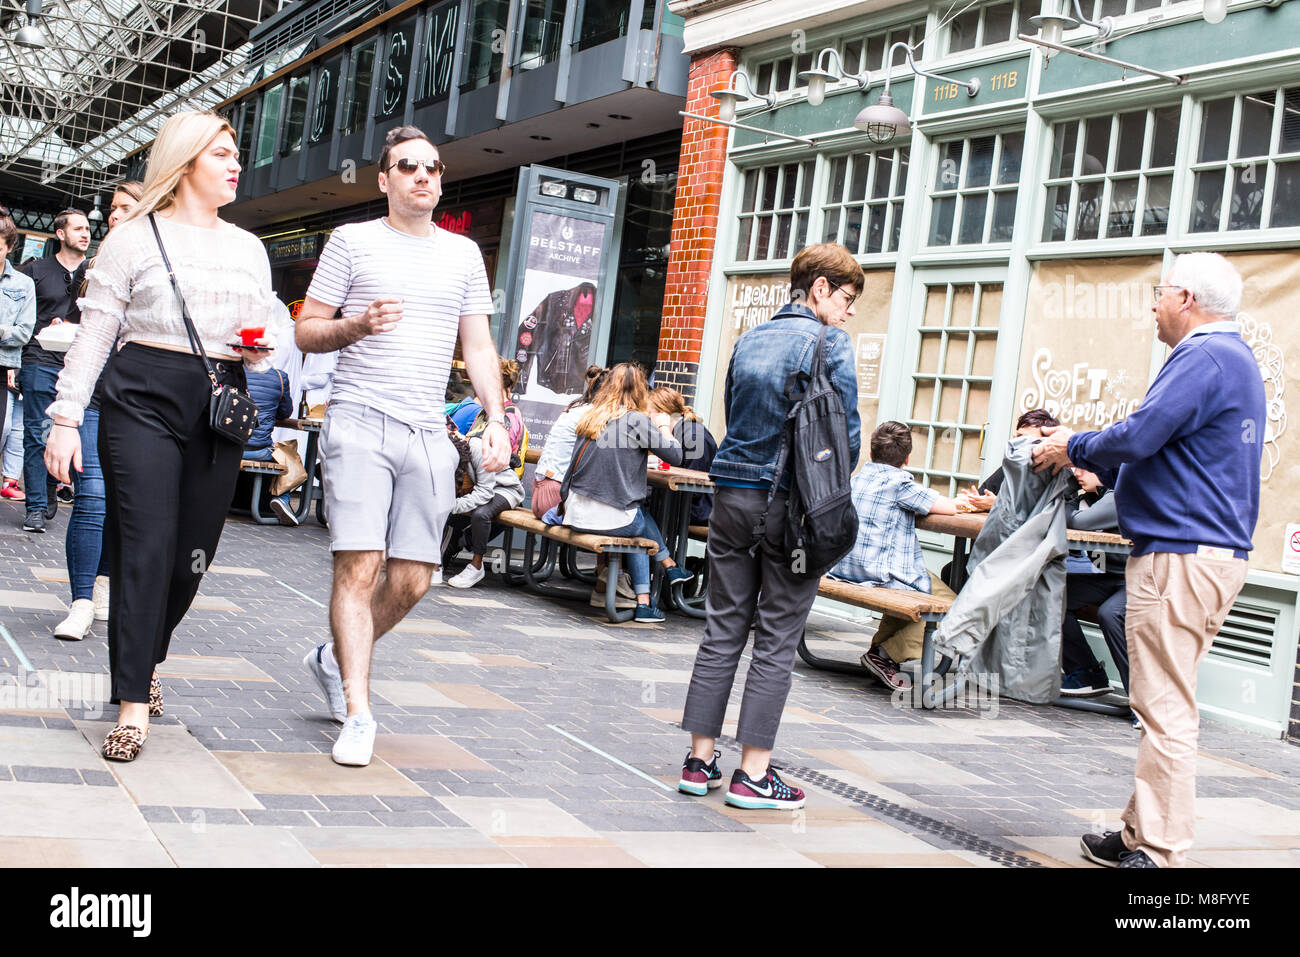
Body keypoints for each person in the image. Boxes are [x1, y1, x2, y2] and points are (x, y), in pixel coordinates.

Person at [45, 111, 284, 762]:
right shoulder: (132, 240)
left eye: (236, 154)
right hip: (140, 393)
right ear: (184, 165)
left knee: (191, 555)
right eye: (224, 153)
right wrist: (65, 419)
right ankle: (130, 700)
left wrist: (256, 350)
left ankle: (148, 653)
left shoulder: (247, 248)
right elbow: (95, 335)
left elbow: (261, 340)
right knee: (146, 544)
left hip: (217, 397)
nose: (237, 163)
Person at [1032, 252, 1265, 869]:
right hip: (1201, 556)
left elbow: (1140, 432)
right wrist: (1096, 461)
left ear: (1185, 298)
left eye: (1160, 293)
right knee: (1159, 701)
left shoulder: (1203, 356)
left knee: (1164, 710)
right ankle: (1140, 833)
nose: (1153, 305)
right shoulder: (1228, 359)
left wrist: (1069, 444)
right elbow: (1159, 445)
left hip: (1180, 558)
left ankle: (1159, 852)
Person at [294, 125, 508, 768]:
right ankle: (358, 710)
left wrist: (497, 417)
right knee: (358, 567)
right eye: (408, 167)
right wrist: (358, 325)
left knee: (415, 577)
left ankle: (332, 658)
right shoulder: (351, 242)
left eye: (434, 168)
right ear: (384, 179)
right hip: (359, 419)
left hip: (427, 429)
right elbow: (305, 331)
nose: (423, 176)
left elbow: (477, 345)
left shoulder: (464, 255)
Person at [679, 243, 861, 810]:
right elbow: (845, 436)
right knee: (778, 638)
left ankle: (699, 760)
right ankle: (753, 775)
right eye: (848, 298)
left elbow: (734, 417)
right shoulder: (830, 342)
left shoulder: (750, 338)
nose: (850, 311)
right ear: (820, 289)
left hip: (730, 496)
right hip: (790, 508)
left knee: (722, 629)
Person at [54, 182, 143, 641]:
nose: (112, 215)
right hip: (92, 398)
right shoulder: (95, 264)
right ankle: (81, 602)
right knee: (91, 496)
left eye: (124, 207)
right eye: (111, 208)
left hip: (137, 404)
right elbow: (90, 330)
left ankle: (104, 586)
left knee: (120, 506)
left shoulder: (155, 261)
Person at [560, 362, 694, 622]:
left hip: (574, 513)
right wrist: (665, 426)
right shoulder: (636, 419)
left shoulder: (592, 416)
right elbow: (676, 456)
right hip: (611, 521)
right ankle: (665, 574)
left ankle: (656, 588)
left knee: (636, 515)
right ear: (641, 390)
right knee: (637, 522)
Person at [829, 421, 959, 690]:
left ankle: (880, 653)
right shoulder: (900, 484)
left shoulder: (856, 479)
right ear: (907, 459)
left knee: (915, 584)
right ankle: (885, 655)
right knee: (956, 608)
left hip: (844, 569)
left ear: (872, 451)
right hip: (879, 573)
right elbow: (948, 508)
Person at [20, 208, 90, 534]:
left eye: (88, 228)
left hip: (79, 365)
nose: (85, 234)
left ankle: (50, 484)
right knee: (37, 433)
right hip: (39, 359)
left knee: (67, 431)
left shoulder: (95, 272)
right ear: (60, 234)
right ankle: (34, 506)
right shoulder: (35, 270)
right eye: (78, 228)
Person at [1060, 467, 1129, 700]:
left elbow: (1075, 522)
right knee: (1051, 593)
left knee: (1111, 614)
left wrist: (1067, 492)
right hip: (1109, 576)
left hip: (1141, 579)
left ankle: (1144, 703)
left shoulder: (1120, 494)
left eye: (1085, 467)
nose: (1077, 473)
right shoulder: (1092, 497)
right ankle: (1087, 673)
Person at [444, 424, 524, 588]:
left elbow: (485, 492)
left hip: (505, 489)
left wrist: (451, 506)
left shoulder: (476, 449)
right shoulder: (446, 454)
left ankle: (476, 565)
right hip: (482, 488)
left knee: (481, 514)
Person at [957, 408, 1060, 513]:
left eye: (1022, 438)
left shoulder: (1060, 475)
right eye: (1015, 437)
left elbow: (1055, 514)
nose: (1014, 443)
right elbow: (981, 496)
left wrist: (997, 504)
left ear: (1046, 441)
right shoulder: (1010, 468)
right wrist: (975, 501)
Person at [0, 205, 36, 503]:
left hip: (3, 368)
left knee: (4, 435)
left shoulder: (23, 285)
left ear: (10, 247)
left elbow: (23, 332)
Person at [648, 385, 717, 524]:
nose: (647, 420)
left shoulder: (693, 435)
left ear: (663, 414)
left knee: (641, 509)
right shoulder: (678, 433)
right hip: (682, 506)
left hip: (697, 510)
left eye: (649, 414)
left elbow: (694, 487)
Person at [242, 366, 297, 525]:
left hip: (228, 447)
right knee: (289, 456)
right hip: (258, 450)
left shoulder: (231, 369)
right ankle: (282, 499)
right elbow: (285, 413)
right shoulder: (279, 377)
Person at [1, 371, 24, 500]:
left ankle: (10, 482)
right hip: (5, 369)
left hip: (27, 370)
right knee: (4, 426)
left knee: (19, 431)